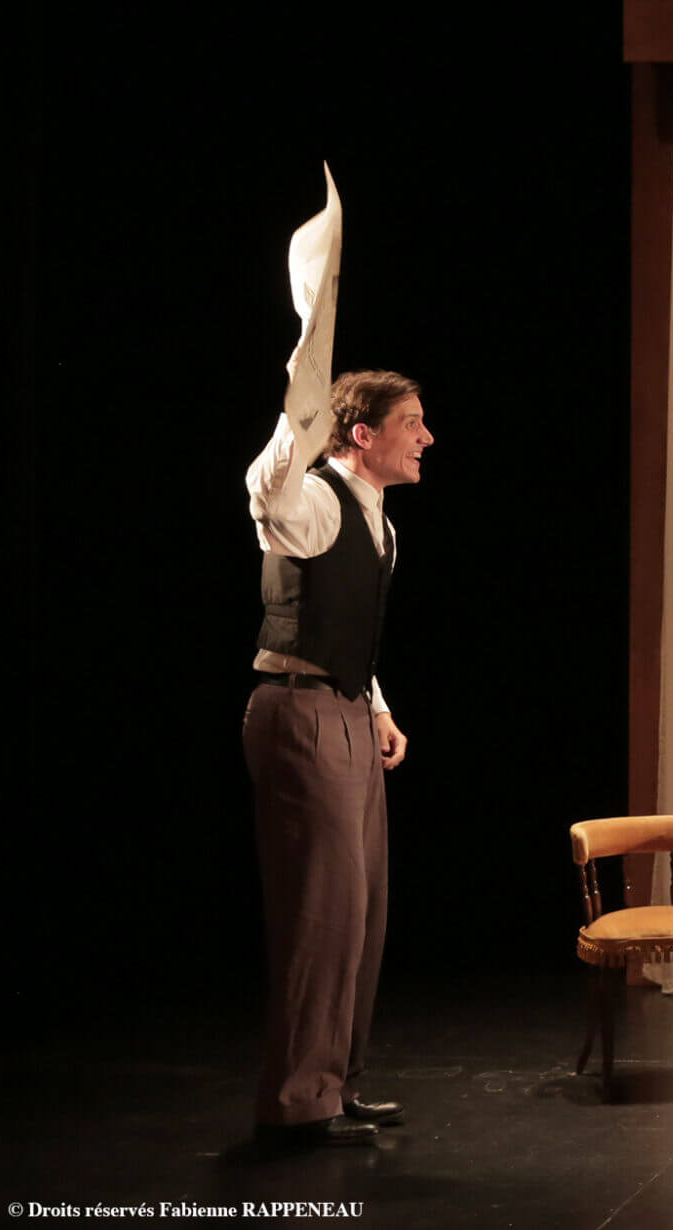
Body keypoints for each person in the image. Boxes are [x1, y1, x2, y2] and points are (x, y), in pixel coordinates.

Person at [242, 368, 434, 1146]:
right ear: (363, 435)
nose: (425, 437)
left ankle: (334, 1086)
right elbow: (266, 492)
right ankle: (297, 1103)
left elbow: (349, 626)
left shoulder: (382, 525)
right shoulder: (316, 500)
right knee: (322, 914)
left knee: (363, 912)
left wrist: (377, 708)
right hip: (299, 714)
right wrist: (300, 397)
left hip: (348, 711)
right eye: (411, 423)